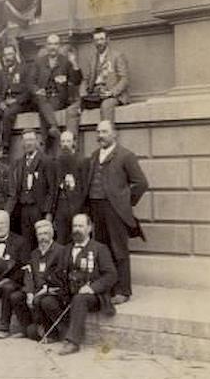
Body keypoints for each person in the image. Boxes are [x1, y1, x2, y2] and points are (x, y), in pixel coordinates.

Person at [84, 120, 148, 304]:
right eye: (98, 132)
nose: (100, 135)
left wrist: (124, 202)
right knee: (102, 249)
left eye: (104, 132)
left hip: (115, 210)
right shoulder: (95, 155)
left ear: (114, 134)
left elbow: (141, 183)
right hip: (96, 208)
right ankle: (108, 287)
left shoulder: (126, 156)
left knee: (119, 249)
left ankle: (123, 290)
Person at [57, 214, 118, 355]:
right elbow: (59, 273)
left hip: (93, 296)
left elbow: (111, 275)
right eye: (74, 226)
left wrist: (91, 288)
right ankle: (62, 332)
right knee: (49, 300)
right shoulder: (66, 249)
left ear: (89, 228)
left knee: (80, 298)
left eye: (80, 226)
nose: (76, 229)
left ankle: (73, 342)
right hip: (70, 292)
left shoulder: (99, 249)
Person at [7, 219, 65, 340]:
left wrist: (44, 289)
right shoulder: (34, 254)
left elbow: (59, 276)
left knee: (43, 301)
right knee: (16, 297)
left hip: (53, 291)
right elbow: (28, 273)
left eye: (45, 233)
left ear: (51, 234)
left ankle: (53, 332)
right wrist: (29, 292)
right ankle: (26, 328)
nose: (42, 237)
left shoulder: (60, 251)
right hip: (37, 291)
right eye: (39, 234)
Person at [68, 27, 130, 135]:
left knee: (106, 106)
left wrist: (111, 92)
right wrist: (83, 92)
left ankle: (108, 140)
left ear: (107, 40)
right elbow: (86, 79)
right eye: (96, 40)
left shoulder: (117, 56)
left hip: (112, 95)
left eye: (101, 39)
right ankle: (71, 144)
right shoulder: (92, 58)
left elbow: (124, 79)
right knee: (72, 110)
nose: (99, 42)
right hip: (94, 95)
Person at [29, 34, 82, 149]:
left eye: (55, 44)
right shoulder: (39, 62)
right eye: (50, 44)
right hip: (40, 97)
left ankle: (45, 143)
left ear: (59, 46)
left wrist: (74, 64)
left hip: (58, 98)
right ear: (46, 46)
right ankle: (53, 126)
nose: (53, 47)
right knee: (41, 100)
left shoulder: (65, 62)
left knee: (44, 109)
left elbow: (76, 80)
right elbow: (30, 82)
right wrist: (37, 90)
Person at [0, 210, 31, 338]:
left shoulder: (21, 242)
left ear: (8, 224)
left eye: (1, 223)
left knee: (8, 288)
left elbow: (24, 268)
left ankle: (4, 327)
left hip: (12, 281)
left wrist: (7, 280)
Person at [11, 129, 55, 249]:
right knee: (25, 241)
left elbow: (52, 189)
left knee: (41, 239)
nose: (28, 143)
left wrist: (48, 212)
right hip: (23, 208)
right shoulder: (19, 163)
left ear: (36, 141)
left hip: (38, 208)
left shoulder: (46, 161)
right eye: (25, 140)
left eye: (31, 140)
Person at [0, 44, 32, 154]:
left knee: (8, 114)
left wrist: (17, 100)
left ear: (15, 54)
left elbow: (29, 89)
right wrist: (0, 102)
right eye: (6, 55)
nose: (8, 57)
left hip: (20, 102)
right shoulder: (1, 72)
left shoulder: (24, 69)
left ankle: (6, 145)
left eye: (10, 54)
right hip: (5, 102)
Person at [52, 131, 89, 245]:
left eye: (68, 141)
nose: (65, 144)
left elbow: (85, 187)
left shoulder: (82, 161)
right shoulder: (56, 162)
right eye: (63, 141)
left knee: (77, 240)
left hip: (76, 206)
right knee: (61, 241)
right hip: (60, 208)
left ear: (74, 142)